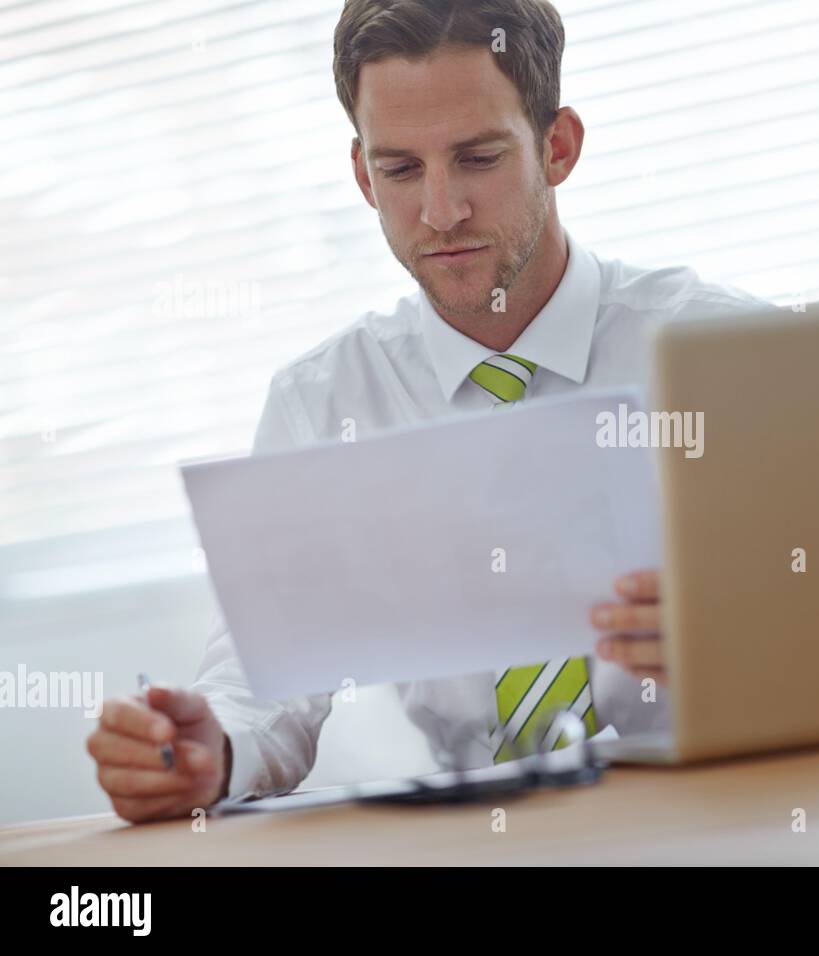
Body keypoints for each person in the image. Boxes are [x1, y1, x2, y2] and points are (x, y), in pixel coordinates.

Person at [86, 0, 766, 823]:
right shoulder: (323, 401)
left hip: (716, 815)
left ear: (558, 147)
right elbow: (264, 685)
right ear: (363, 176)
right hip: (475, 835)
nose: (441, 212)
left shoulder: (728, 351)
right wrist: (212, 752)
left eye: (477, 157)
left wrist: (762, 627)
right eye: (401, 171)